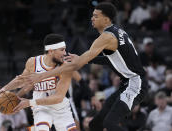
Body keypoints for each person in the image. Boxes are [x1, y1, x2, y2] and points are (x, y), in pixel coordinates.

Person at [18, 2, 149, 131]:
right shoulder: (118, 31)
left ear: (106, 19)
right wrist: (85, 60)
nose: (92, 18)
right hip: (127, 84)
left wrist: (42, 75)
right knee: (95, 125)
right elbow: (111, 60)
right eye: (92, 15)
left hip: (135, 84)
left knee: (110, 123)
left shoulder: (106, 37)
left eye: (96, 16)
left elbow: (74, 65)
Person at [0, 34, 78, 131]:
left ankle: (32, 129)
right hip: (41, 107)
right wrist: (4, 89)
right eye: (62, 50)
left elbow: (58, 98)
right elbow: (21, 80)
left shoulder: (66, 67)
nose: (65, 53)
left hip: (60, 107)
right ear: (51, 51)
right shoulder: (33, 62)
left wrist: (29, 102)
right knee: (43, 128)